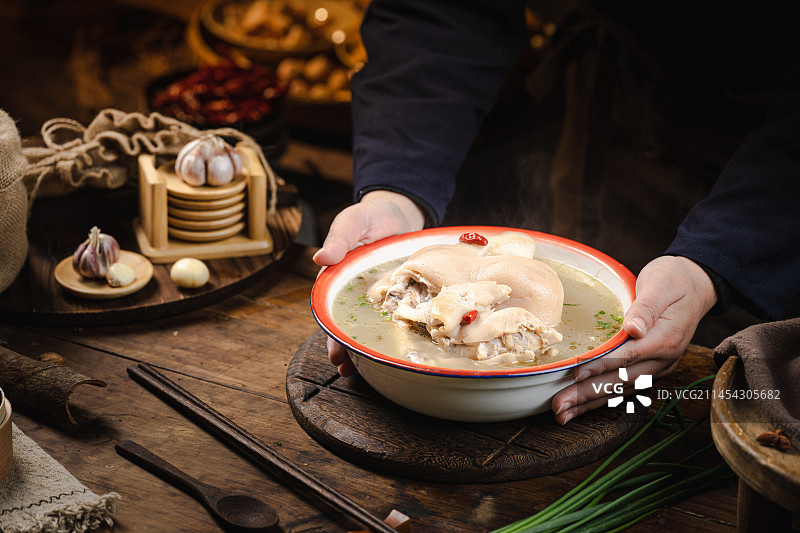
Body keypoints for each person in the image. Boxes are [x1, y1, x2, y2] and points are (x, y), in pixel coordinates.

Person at [313, 0, 800, 424]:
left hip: (772, 167)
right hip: (611, 87)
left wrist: (712, 263)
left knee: (728, 377)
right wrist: (397, 189)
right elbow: (443, 8)